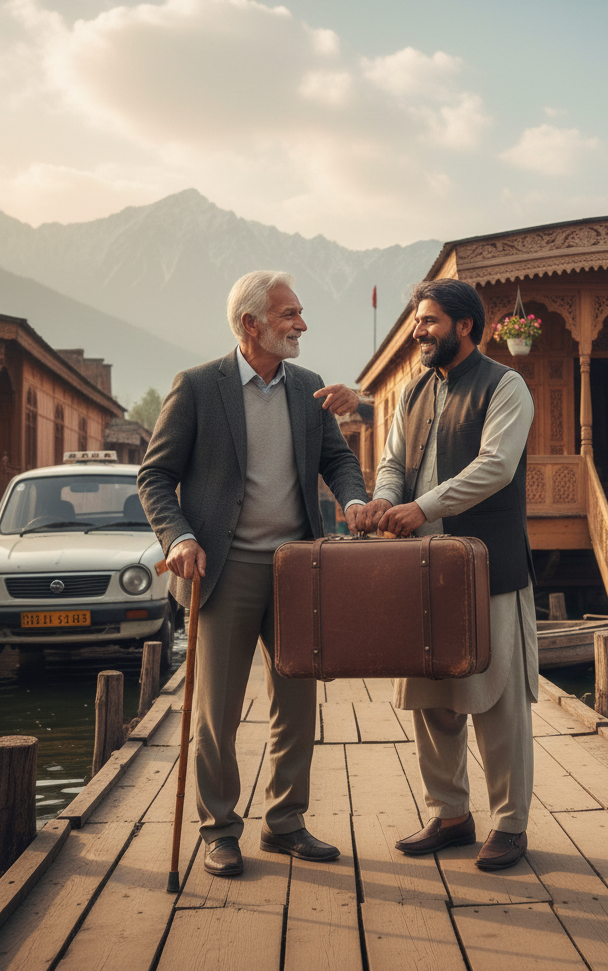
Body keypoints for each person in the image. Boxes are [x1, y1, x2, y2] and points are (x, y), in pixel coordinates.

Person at [138, 270, 368, 877]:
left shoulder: (310, 389)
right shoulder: (196, 387)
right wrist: (179, 536)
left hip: (297, 567)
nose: (301, 324)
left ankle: (285, 823)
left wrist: (352, 500)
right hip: (223, 568)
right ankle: (219, 829)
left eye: (299, 313)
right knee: (217, 708)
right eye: (290, 314)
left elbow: (338, 460)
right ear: (252, 324)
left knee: (296, 704)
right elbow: (155, 477)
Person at [351, 277, 538, 871]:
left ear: (465, 325)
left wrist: (422, 507)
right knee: (432, 698)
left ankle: (509, 826)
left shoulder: (508, 385)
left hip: (488, 566)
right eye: (416, 322)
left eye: (429, 322)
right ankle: (452, 816)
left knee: (499, 699)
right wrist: (384, 501)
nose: (418, 333)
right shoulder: (412, 392)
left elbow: (496, 468)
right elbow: (390, 464)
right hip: (421, 568)